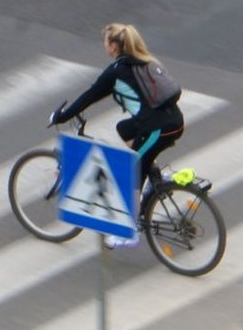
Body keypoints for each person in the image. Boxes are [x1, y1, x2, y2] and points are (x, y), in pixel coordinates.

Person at [51, 23, 185, 245]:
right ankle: (154, 177)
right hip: (173, 121)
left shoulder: (117, 71)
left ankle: (129, 231)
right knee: (124, 129)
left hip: (158, 128)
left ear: (113, 46)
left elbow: (90, 95)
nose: (104, 46)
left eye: (105, 42)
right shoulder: (142, 61)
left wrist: (62, 116)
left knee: (132, 169)